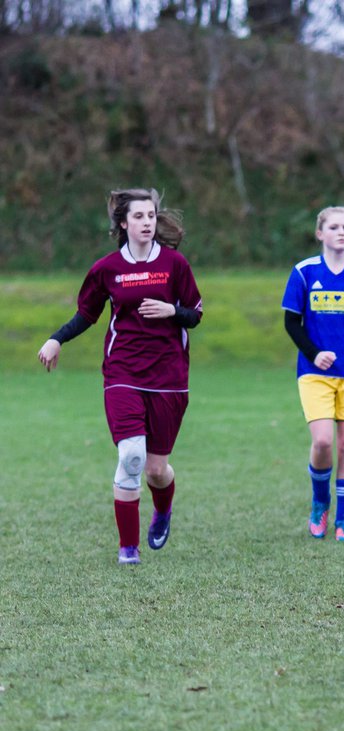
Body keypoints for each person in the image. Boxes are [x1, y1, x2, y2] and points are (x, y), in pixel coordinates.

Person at [37, 188, 203, 565]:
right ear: (124, 223)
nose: (147, 222)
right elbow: (87, 315)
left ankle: (162, 511)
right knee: (131, 456)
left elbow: (194, 314)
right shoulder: (107, 269)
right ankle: (128, 549)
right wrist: (56, 339)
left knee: (156, 470)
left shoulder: (175, 264)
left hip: (168, 375)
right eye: (139, 217)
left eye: (151, 216)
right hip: (123, 371)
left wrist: (170, 310)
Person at [282, 206, 344, 542]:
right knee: (323, 441)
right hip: (314, 373)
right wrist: (315, 353)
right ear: (320, 233)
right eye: (334, 227)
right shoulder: (303, 272)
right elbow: (290, 323)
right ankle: (319, 501)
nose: (341, 232)